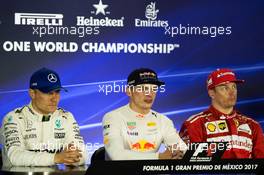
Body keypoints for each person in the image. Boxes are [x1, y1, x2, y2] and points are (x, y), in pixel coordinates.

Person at [0, 68, 87, 167]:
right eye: (49, 93)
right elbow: (15, 156)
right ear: (32, 93)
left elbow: (82, 154)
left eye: (57, 92)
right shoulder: (13, 118)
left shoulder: (66, 117)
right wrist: (56, 158)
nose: (55, 98)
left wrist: (73, 157)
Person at [102, 68, 187, 160]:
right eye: (143, 88)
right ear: (129, 91)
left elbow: (182, 148)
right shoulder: (113, 117)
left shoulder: (163, 120)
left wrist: (177, 153)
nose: (149, 94)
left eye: (153, 89)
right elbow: (116, 155)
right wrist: (159, 157)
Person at [180, 68, 264, 158]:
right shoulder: (195, 124)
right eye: (224, 88)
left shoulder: (252, 125)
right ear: (212, 93)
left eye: (234, 87)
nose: (232, 92)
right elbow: (189, 165)